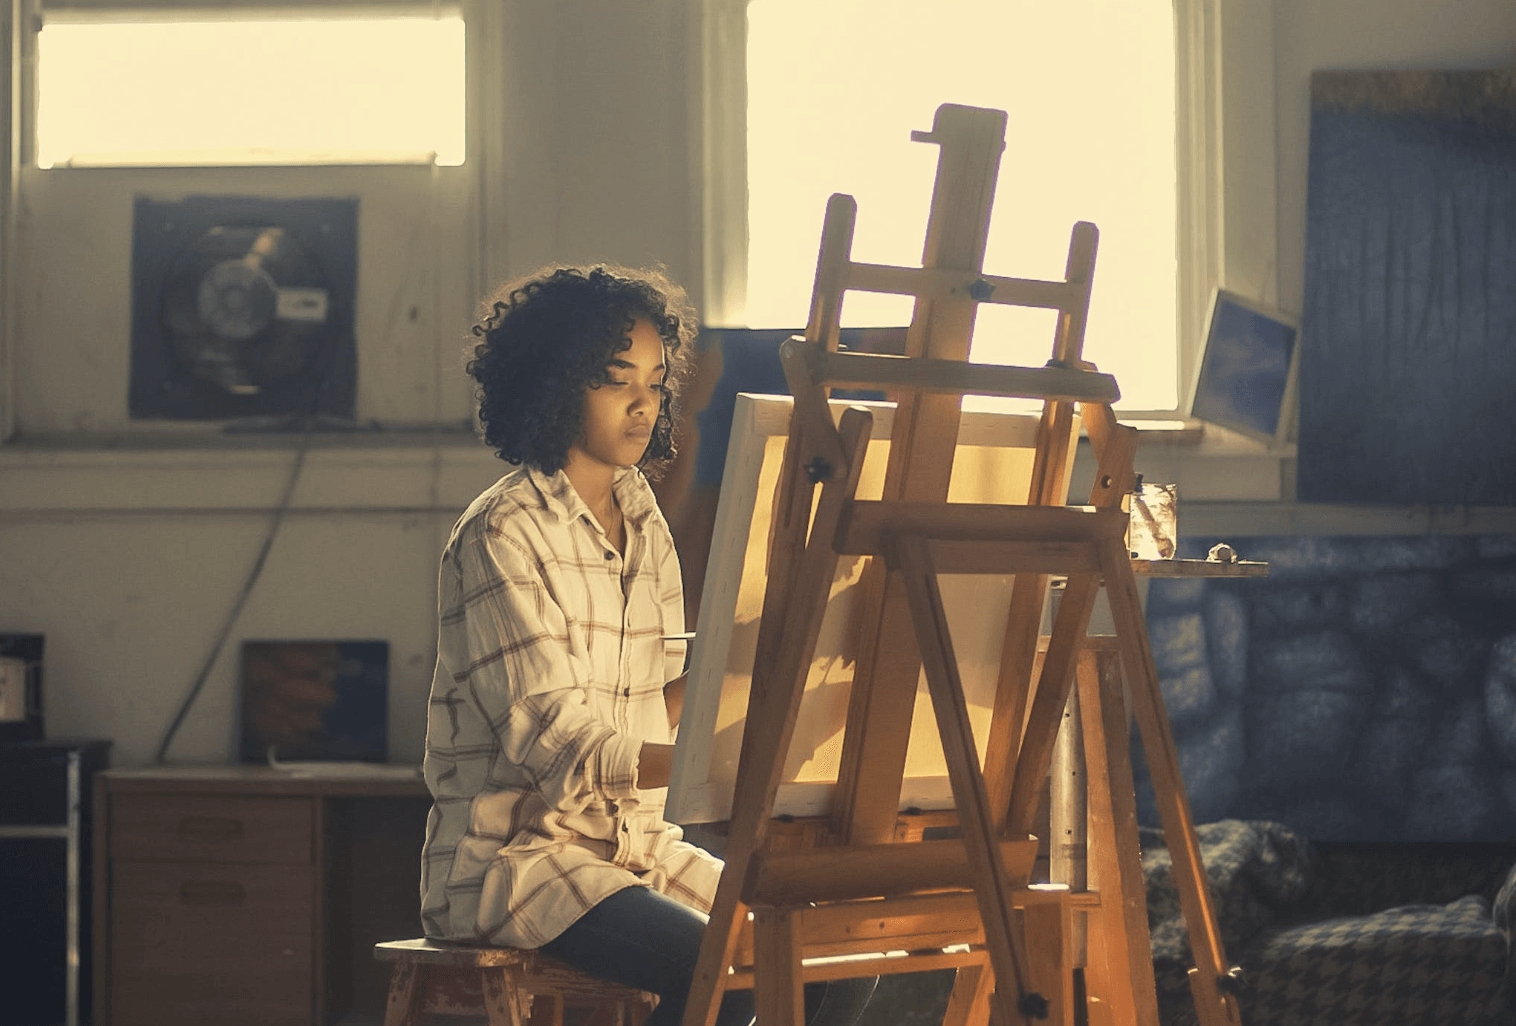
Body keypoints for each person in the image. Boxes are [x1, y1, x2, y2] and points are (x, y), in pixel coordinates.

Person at [420, 264, 876, 1026]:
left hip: (633, 851)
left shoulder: (644, 524)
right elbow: (561, 748)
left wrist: (753, 663)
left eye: (657, 382)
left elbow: (654, 714)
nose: (644, 402)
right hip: (519, 866)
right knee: (715, 976)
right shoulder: (502, 532)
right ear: (556, 384)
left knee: (834, 956)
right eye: (615, 379)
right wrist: (721, 765)